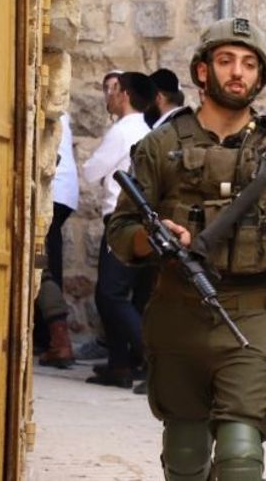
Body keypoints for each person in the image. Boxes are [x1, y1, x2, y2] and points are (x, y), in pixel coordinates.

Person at [106, 18, 266, 480]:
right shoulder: (160, 145)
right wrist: (152, 236)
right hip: (176, 314)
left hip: (250, 316)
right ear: (202, 71)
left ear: (262, 76)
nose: (237, 72)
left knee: (240, 458)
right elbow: (121, 229)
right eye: (226, 60)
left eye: (249, 64)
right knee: (186, 457)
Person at [84, 71, 155, 388]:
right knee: (123, 294)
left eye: (113, 89)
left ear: (124, 94)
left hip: (120, 219)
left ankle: (154, 360)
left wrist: (100, 175)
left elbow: (91, 171)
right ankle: (119, 364)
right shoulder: (148, 130)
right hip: (141, 220)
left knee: (110, 294)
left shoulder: (122, 131)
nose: (109, 96)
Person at [37, 113, 80, 368]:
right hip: (58, 194)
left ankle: (57, 340)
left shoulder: (41, 105)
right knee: (43, 264)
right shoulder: (60, 111)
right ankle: (54, 338)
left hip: (45, 193)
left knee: (39, 265)